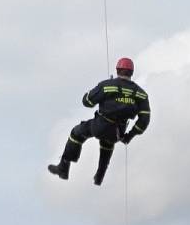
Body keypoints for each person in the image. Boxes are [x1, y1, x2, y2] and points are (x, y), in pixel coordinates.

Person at [48, 57, 151, 186]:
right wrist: (129, 136)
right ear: (132, 72)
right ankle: (99, 178)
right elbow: (144, 120)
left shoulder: (107, 86)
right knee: (108, 142)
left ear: (117, 69)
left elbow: (87, 102)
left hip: (100, 126)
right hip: (118, 132)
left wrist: (89, 94)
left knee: (76, 133)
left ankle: (63, 168)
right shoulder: (141, 94)